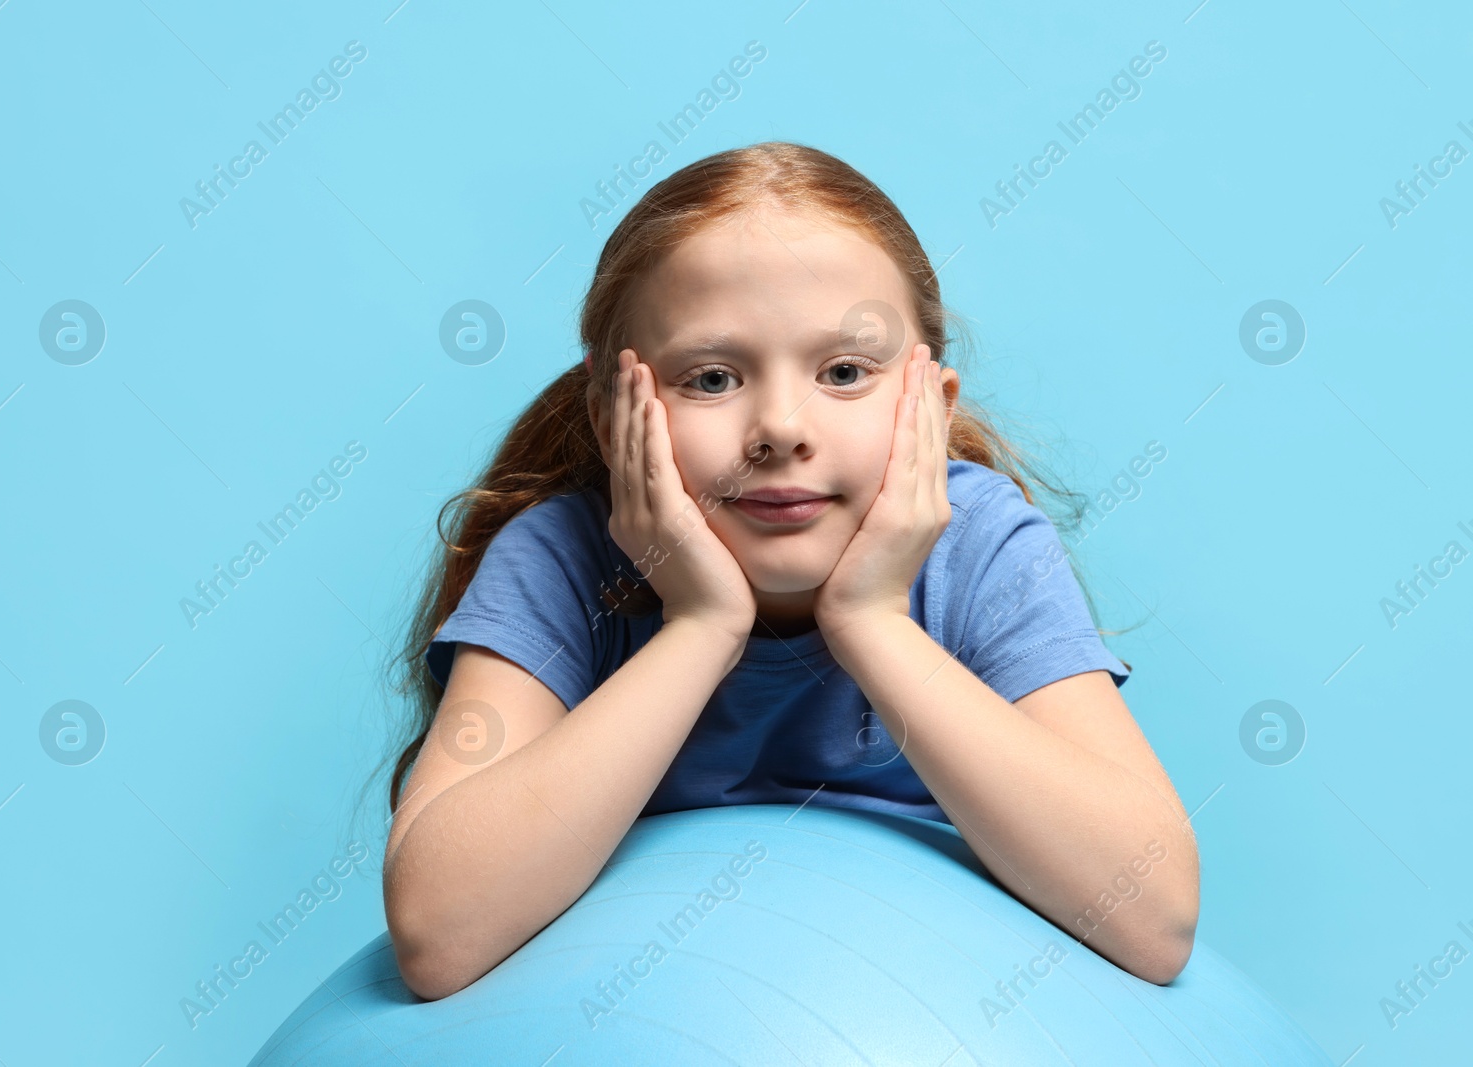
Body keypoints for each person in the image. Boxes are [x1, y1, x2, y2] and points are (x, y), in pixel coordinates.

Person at [377, 141, 1199, 1001]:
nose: (779, 428)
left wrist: (872, 621)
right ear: (613, 409)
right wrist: (700, 625)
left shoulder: (981, 546)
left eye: (844, 372)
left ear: (932, 406)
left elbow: (1156, 915)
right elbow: (439, 933)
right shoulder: (562, 558)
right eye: (712, 377)